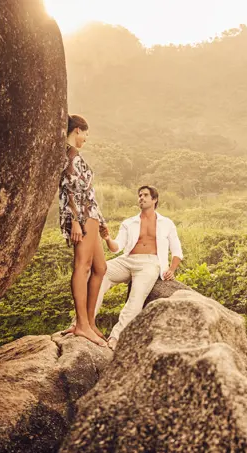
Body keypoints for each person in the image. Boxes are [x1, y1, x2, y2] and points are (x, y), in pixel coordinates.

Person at [97, 185, 183, 349]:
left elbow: (177, 250)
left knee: (135, 300)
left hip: (150, 263)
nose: (141, 198)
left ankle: (116, 337)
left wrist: (171, 269)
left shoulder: (167, 223)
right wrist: (107, 238)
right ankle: (84, 324)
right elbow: (117, 248)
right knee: (100, 273)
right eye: (139, 195)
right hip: (127, 259)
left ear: (154, 199)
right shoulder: (129, 222)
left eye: (145, 195)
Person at [58, 114, 108, 346]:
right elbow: (69, 190)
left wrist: (103, 221)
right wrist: (76, 220)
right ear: (77, 130)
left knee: (100, 267)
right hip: (82, 216)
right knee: (83, 266)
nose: (86, 138)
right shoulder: (69, 155)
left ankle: (89, 321)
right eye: (86, 133)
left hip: (92, 216)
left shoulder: (77, 156)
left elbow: (88, 192)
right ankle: (81, 325)